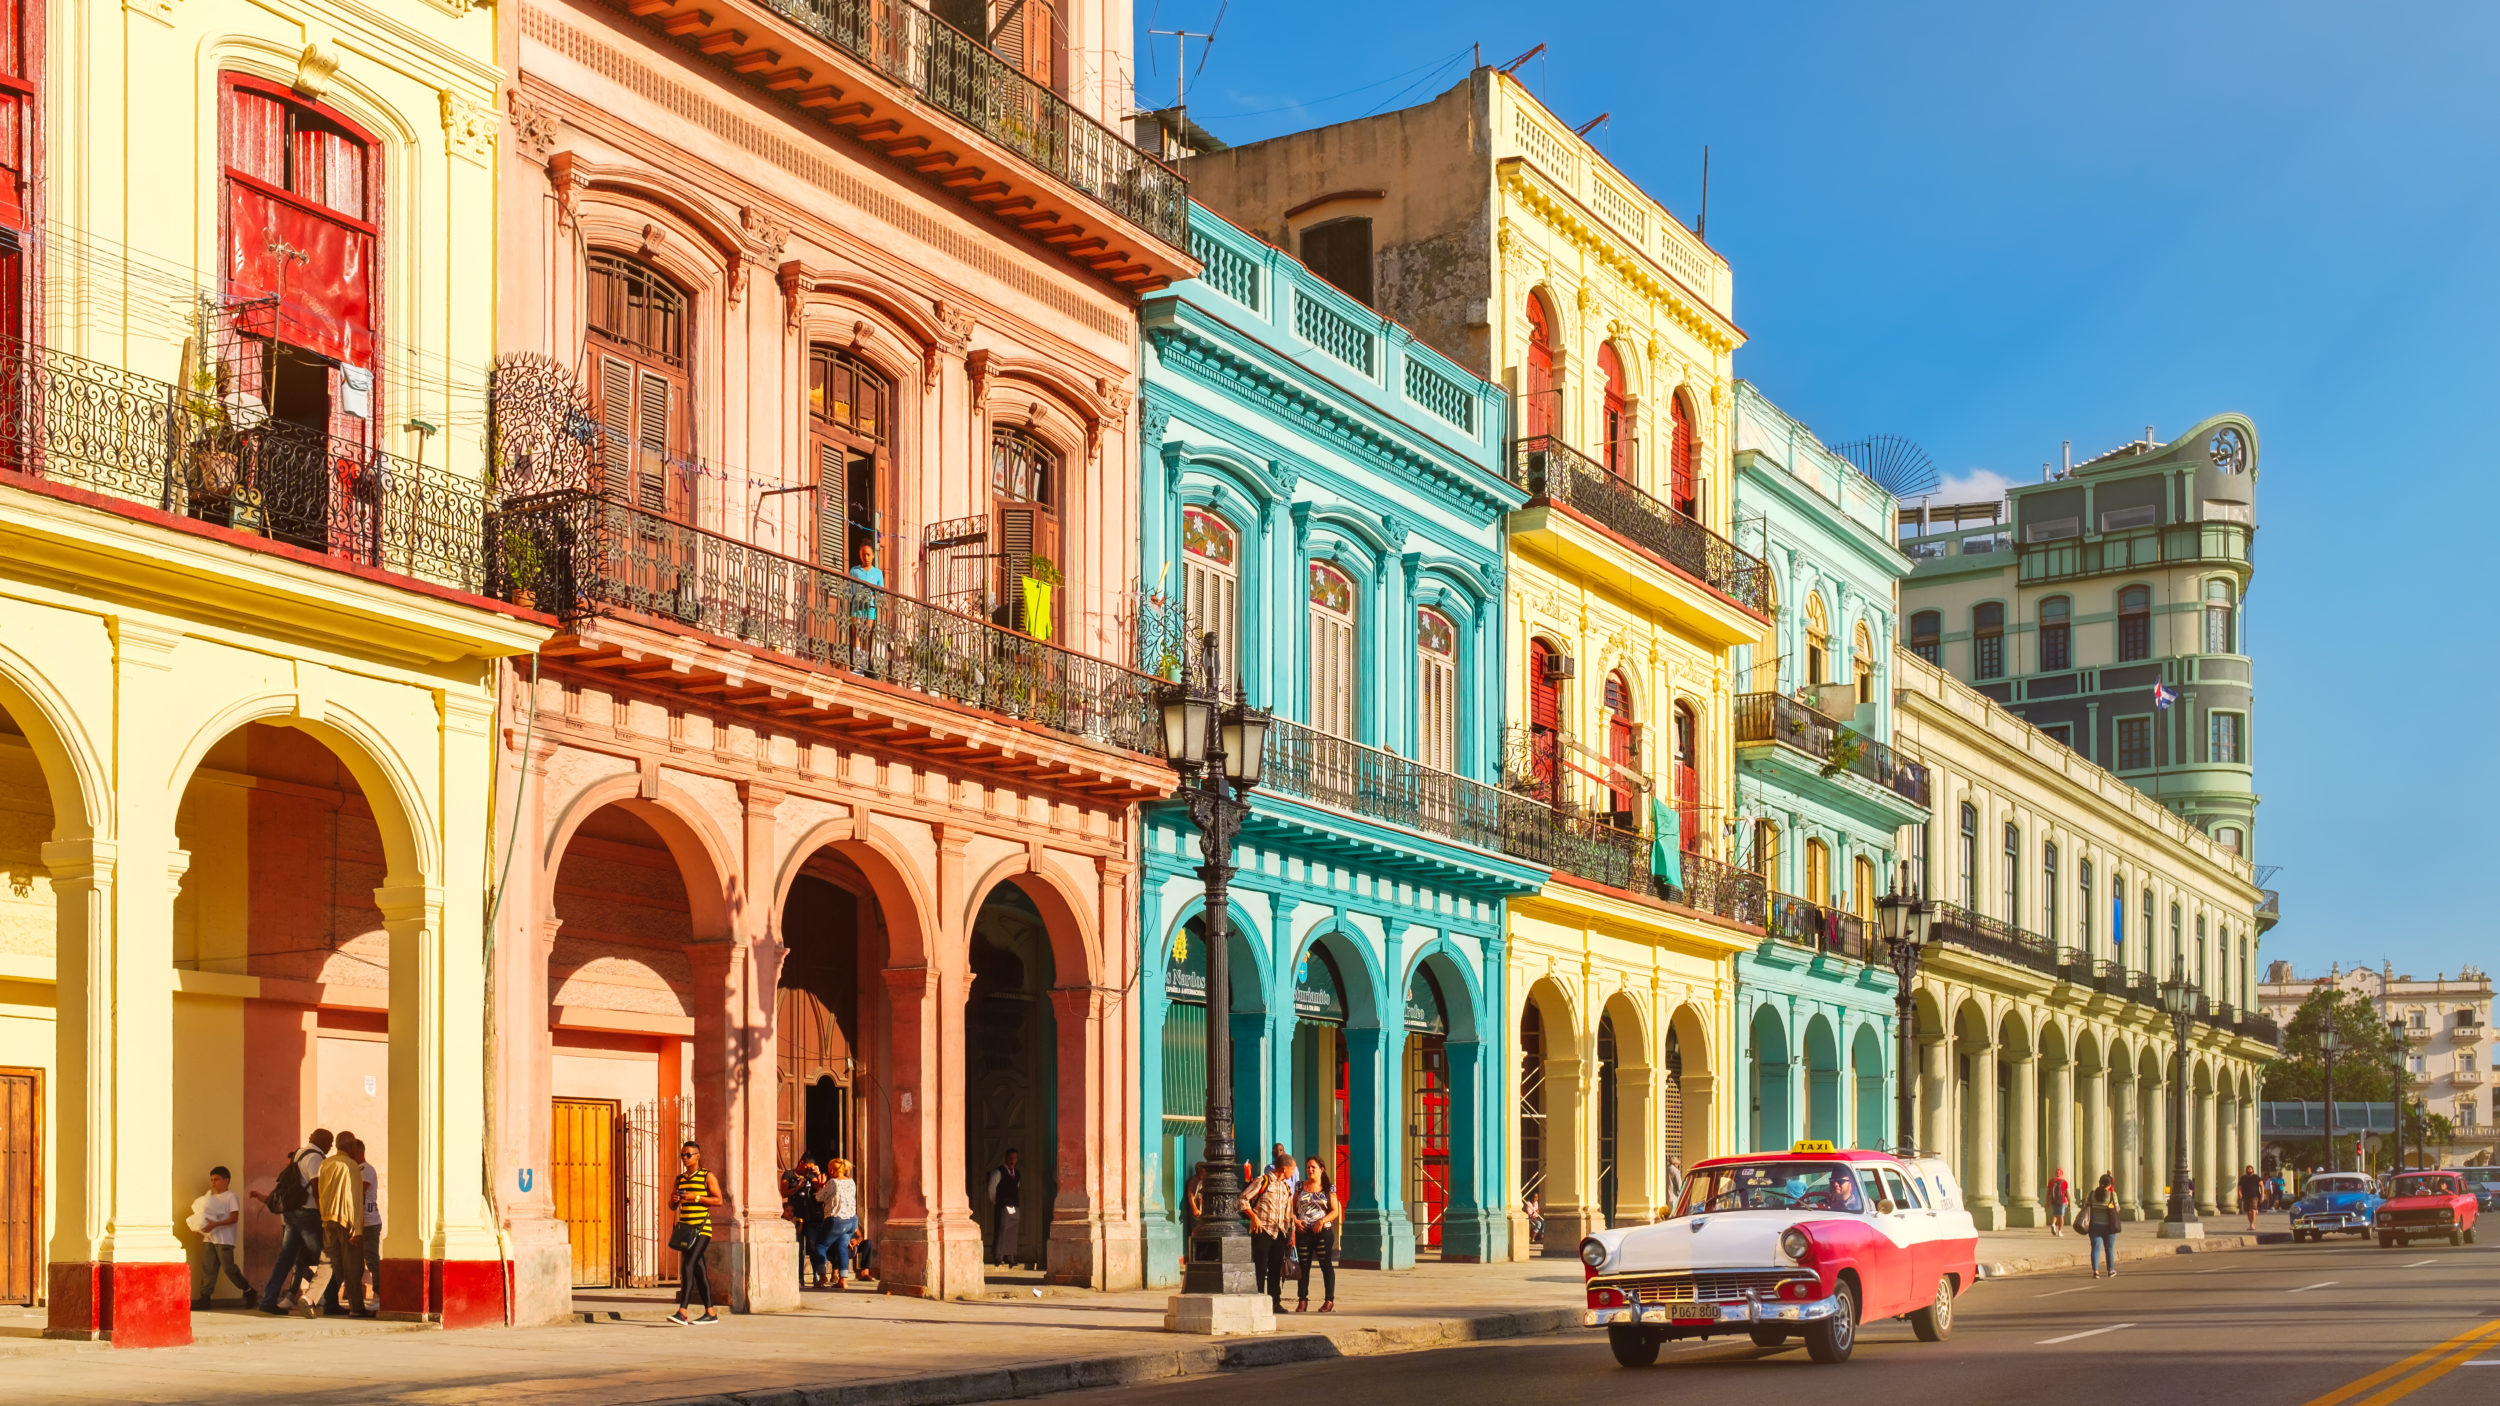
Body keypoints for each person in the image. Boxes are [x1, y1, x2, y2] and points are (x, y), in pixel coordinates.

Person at [260, 1129, 331, 1315]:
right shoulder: (315, 1158)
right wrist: (324, 1214)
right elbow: (317, 1188)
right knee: (326, 1258)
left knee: (286, 1259)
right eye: (330, 1142)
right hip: (308, 1213)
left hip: (292, 1213)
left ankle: (268, 1299)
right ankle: (328, 1301)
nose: (331, 1146)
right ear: (323, 1141)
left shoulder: (299, 1153)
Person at [315, 1129, 369, 1317]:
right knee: (353, 1265)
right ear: (350, 1146)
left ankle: (309, 1298)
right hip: (345, 1221)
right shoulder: (350, 1165)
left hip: (327, 1219)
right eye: (354, 1144)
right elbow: (355, 1198)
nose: (356, 1147)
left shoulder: (325, 1164)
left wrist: (323, 1216)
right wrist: (357, 1229)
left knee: (329, 1262)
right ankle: (357, 1308)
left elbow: (320, 1191)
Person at [670, 1140, 723, 1325]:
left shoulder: (707, 1176)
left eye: (688, 1155)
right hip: (686, 1231)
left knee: (688, 1266)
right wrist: (675, 1200)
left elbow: (718, 1200)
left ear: (698, 1156)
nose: (684, 1158)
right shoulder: (680, 1179)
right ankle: (711, 1312)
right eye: (682, 1155)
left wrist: (697, 1197)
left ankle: (682, 1312)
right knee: (700, 1271)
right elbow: (672, 1206)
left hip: (701, 1230)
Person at [190, 1166, 254, 1311]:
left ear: (226, 1180)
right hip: (209, 1238)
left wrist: (215, 1225)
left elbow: (234, 1218)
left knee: (229, 1268)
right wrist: (198, 1227)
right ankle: (205, 1298)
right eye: (212, 1180)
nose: (213, 1183)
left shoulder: (231, 1197)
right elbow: (206, 1218)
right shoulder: (210, 1199)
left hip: (225, 1239)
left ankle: (249, 1291)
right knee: (208, 1268)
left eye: (217, 1179)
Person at [1243, 1153, 1296, 1314]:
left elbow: (1289, 1212)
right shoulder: (1263, 1181)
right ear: (1284, 1168)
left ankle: (1274, 1302)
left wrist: (1291, 1233)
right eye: (1292, 1169)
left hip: (1279, 1233)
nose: (1293, 1173)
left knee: (1275, 1269)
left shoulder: (1285, 1187)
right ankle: (1258, 1300)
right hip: (1263, 1231)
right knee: (1260, 1267)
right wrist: (1253, 1217)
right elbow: (1242, 1199)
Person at [1292, 1156, 1343, 1314]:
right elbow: (1292, 1208)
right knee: (1304, 1266)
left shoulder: (1328, 1188)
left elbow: (1335, 1211)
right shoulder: (1300, 1186)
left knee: (1325, 1265)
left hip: (1323, 1232)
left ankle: (1329, 1300)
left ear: (1321, 1169)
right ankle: (1302, 1300)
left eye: (1313, 1167)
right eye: (1308, 1167)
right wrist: (1295, 1220)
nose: (1310, 1170)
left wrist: (1321, 1221)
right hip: (1303, 1231)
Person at [348, 1134, 382, 1311]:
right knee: (356, 1261)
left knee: (372, 1259)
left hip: (370, 1222)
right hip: (358, 1223)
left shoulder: (366, 1170)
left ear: (359, 1152)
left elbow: (358, 1193)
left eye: (352, 1153)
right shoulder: (354, 1170)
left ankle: (378, 1294)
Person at [785, 1160, 828, 1289]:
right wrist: (797, 1187)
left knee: (813, 1247)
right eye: (807, 1166)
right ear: (801, 1163)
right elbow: (784, 1192)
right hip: (796, 1215)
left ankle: (817, 1277)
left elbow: (820, 1189)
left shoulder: (811, 1176)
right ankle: (799, 1279)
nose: (807, 1169)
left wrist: (818, 1173)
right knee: (798, 1249)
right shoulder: (789, 1175)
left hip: (812, 1217)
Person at [823, 1158, 860, 1291]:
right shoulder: (851, 1182)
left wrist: (820, 1184)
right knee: (842, 1248)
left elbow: (820, 1197)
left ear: (832, 1170)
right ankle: (843, 1280)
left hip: (837, 1220)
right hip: (852, 1220)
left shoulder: (833, 1182)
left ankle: (821, 1276)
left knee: (820, 1245)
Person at [986, 1148, 1022, 1266]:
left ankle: (1010, 1256)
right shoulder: (998, 1172)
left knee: (1012, 1229)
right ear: (1006, 1158)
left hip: (1014, 1205)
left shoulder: (1017, 1173)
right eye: (1010, 1158)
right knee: (1002, 1229)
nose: (1012, 1161)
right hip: (1003, 1205)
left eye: (1014, 1158)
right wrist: (997, 1202)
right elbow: (992, 1189)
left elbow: (1016, 1187)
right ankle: (998, 1256)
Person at [2086, 1172, 2123, 1278]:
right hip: (2109, 1227)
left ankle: (2095, 1271)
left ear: (2099, 1183)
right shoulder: (2112, 1195)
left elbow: (2086, 1207)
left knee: (2095, 1248)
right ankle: (2111, 1270)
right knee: (2109, 1248)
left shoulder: (2092, 1194)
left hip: (2094, 1225)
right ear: (2110, 1185)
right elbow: (2117, 1209)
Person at [2045, 1167, 2072, 1237]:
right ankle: (2060, 1232)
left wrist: (2047, 1201)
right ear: (2062, 1174)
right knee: (2061, 1216)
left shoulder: (2051, 1181)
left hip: (2053, 1200)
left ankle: (2053, 1224)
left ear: (2055, 1174)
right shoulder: (2064, 1182)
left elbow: (2048, 1192)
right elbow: (2067, 1193)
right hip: (2062, 1201)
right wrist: (2069, 1202)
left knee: (2055, 1215)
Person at [2238, 1164, 2264, 1232]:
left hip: (2254, 1196)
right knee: (2248, 1211)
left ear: (2252, 1170)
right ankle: (2250, 1223)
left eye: (2250, 1169)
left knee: (2253, 1209)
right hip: (2246, 1196)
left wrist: (2262, 1196)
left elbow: (2262, 1186)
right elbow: (2240, 1187)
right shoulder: (2243, 1178)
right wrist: (2240, 1193)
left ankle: (2252, 1224)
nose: (2248, 1170)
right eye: (2247, 1169)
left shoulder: (2256, 1177)